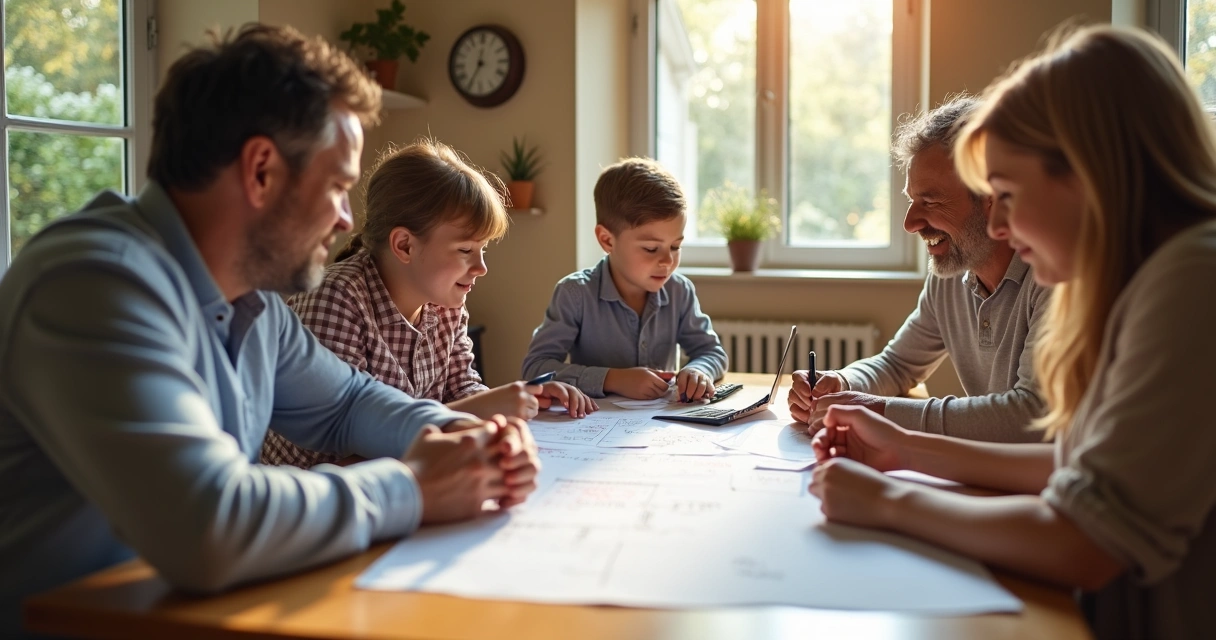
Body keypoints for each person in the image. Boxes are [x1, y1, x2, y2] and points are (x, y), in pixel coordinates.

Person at [0, 25, 538, 635]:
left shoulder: (252, 301)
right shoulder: (94, 285)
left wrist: (462, 434)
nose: (346, 219)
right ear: (260, 171)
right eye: (337, 187)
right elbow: (206, 527)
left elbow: (346, 402)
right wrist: (415, 486)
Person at [808, 25, 1216, 639]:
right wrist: (904, 449)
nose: (997, 225)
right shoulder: (1145, 278)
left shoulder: (1193, 278)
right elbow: (1073, 465)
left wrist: (888, 503)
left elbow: (1088, 540)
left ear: (1087, 174)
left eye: (1006, 193)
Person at [262, 139, 597, 469]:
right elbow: (342, 455)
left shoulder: (445, 303)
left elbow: (462, 388)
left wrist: (519, 399)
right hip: (318, 491)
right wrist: (480, 411)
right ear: (405, 245)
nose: (481, 267)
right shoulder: (336, 299)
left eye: (483, 250)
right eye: (465, 250)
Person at [788, 96, 1050, 442]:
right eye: (912, 200)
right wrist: (842, 383)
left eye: (930, 201)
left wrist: (875, 411)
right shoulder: (952, 270)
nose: (910, 223)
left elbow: (1031, 415)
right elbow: (897, 364)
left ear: (991, 196)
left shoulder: (1053, 275)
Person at [521, 157, 727, 401]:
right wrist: (612, 379)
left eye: (675, 246)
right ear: (607, 240)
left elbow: (712, 352)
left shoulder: (679, 291)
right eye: (651, 248)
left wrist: (699, 370)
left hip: (662, 421)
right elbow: (535, 368)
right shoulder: (575, 294)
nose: (667, 261)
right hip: (593, 421)